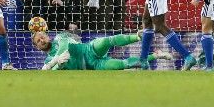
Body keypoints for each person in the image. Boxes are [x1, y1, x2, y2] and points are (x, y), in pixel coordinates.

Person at [33, 30, 173, 70]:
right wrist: (59, 64)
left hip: (89, 50)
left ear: (47, 36)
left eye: (42, 37)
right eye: (38, 41)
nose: (41, 41)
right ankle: (155, 55)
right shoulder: (47, 60)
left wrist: (54, 61)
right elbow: (55, 71)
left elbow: (63, 48)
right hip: (92, 66)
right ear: (38, 48)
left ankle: (137, 36)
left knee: (107, 41)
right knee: (123, 65)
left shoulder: (59, 37)